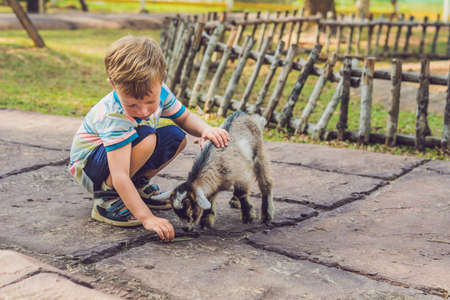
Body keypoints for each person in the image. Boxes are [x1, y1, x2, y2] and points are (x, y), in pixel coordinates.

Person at [68, 35, 230, 242]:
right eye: (132, 105)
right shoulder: (113, 115)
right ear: (113, 85)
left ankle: (136, 187)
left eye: (149, 102)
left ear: (161, 80)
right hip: (91, 170)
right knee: (147, 139)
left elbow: (185, 117)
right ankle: (106, 201)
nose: (143, 111)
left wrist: (206, 129)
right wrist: (146, 217)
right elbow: (119, 175)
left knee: (176, 136)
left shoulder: (160, 92)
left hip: (119, 160)